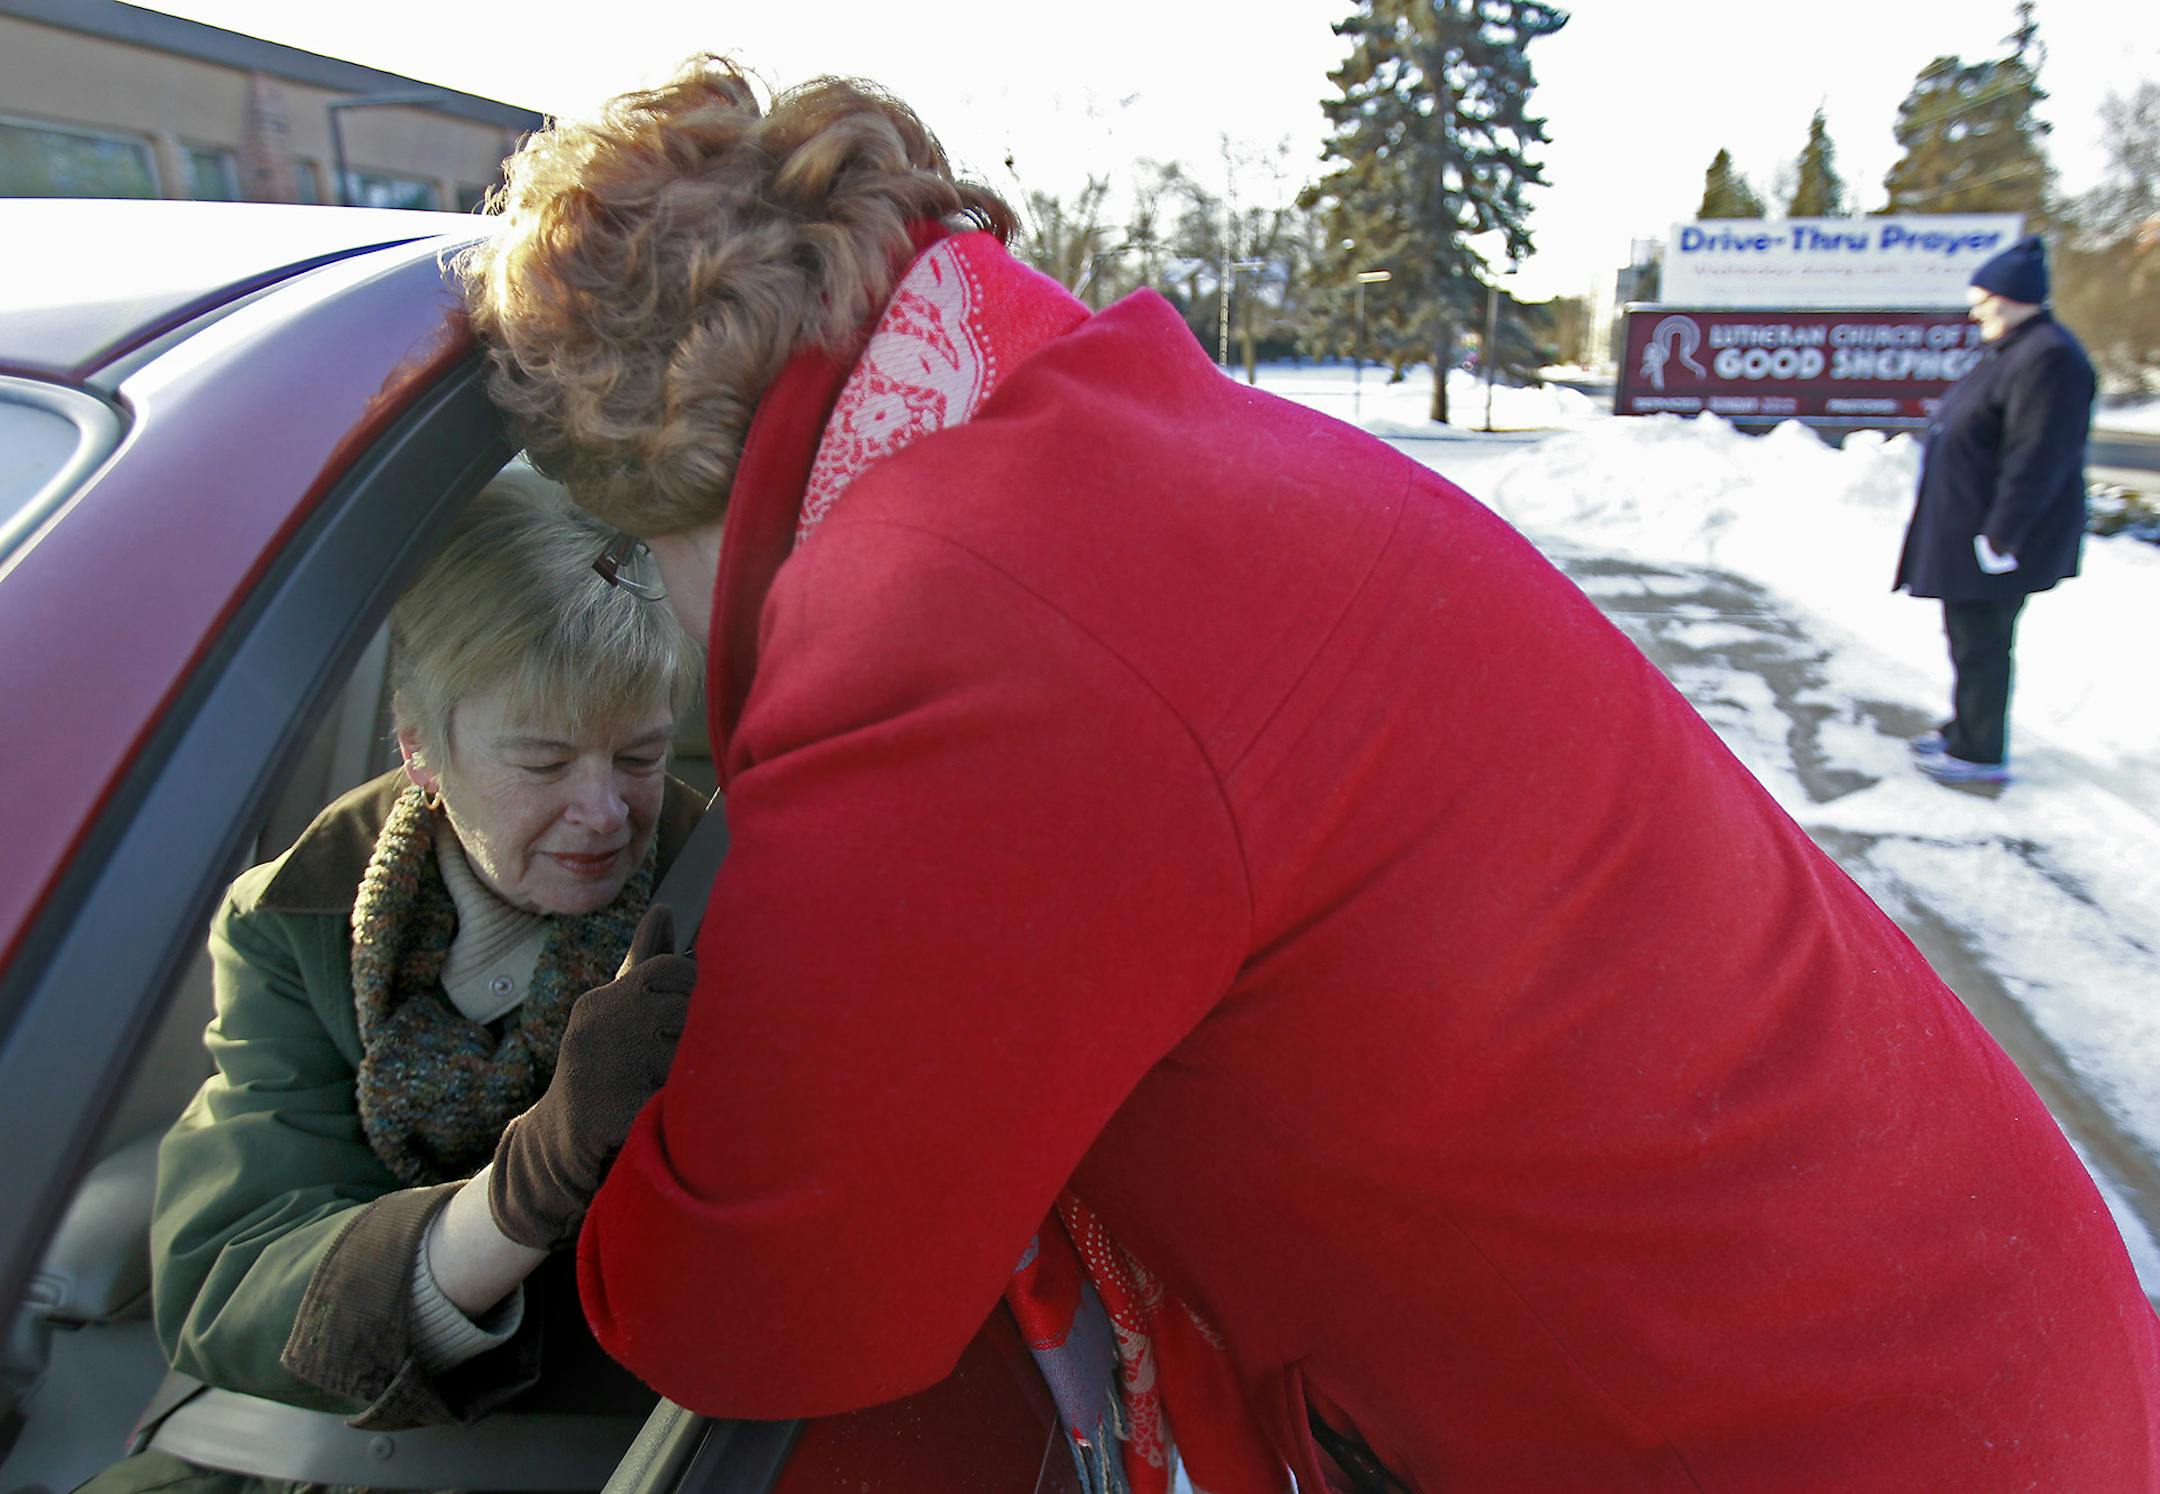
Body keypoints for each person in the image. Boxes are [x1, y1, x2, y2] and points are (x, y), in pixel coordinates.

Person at [458, 60, 2160, 1494]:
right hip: (1934, 1321)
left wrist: (598, 1150)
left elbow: (771, 1303)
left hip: (1801, 1429)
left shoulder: (954, 616)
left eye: (631, 564)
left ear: (659, 468)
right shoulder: (1100, 436)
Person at [96, 473, 704, 1493]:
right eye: (544, 762)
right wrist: (526, 1191)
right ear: (421, 746)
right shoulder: (294, 917)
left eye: (638, 755)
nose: (604, 811)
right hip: (302, 1442)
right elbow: (229, 1276)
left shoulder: (724, 891)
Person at [1895, 233, 2096, 785]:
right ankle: (1965, 729)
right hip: (1973, 533)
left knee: (1983, 643)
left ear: (2010, 296)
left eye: (1981, 296)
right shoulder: (2015, 350)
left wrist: (2004, 534)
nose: (1974, 308)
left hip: (1997, 539)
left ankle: (1979, 752)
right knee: (1967, 638)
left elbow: (2038, 455)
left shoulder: (2049, 358)